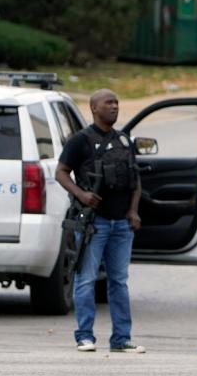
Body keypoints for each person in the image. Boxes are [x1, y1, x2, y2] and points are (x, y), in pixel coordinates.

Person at [54, 89, 145, 354]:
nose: (115, 107)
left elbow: (135, 180)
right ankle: (84, 336)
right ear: (94, 108)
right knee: (86, 279)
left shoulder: (124, 141)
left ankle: (121, 338)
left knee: (119, 281)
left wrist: (133, 211)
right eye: (109, 103)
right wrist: (81, 194)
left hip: (121, 224)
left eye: (117, 102)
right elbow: (61, 173)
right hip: (95, 223)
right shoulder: (80, 140)